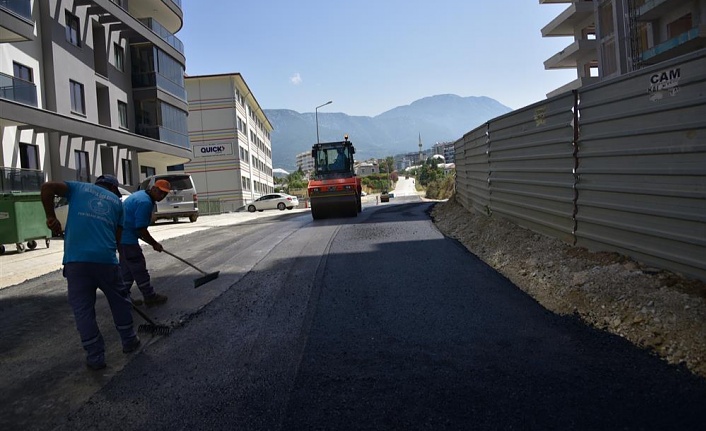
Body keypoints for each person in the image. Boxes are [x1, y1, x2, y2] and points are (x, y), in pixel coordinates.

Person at [40, 175, 140, 370]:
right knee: (120, 301)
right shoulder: (118, 204)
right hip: (105, 260)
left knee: (83, 310)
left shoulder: (78, 188)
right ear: (113, 187)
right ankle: (129, 340)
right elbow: (117, 237)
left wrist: (51, 217)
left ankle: (95, 357)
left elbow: (47, 187)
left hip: (76, 262)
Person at [119, 179, 171, 307]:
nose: (162, 196)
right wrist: (154, 244)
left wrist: (138, 232)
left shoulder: (141, 195)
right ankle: (149, 296)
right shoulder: (145, 202)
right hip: (128, 240)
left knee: (127, 271)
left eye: (165, 194)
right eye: (160, 192)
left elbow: (136, 225)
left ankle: (123, 299)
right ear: (153, 188)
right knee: (138, 268)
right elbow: (141, 228)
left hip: (121, 238)